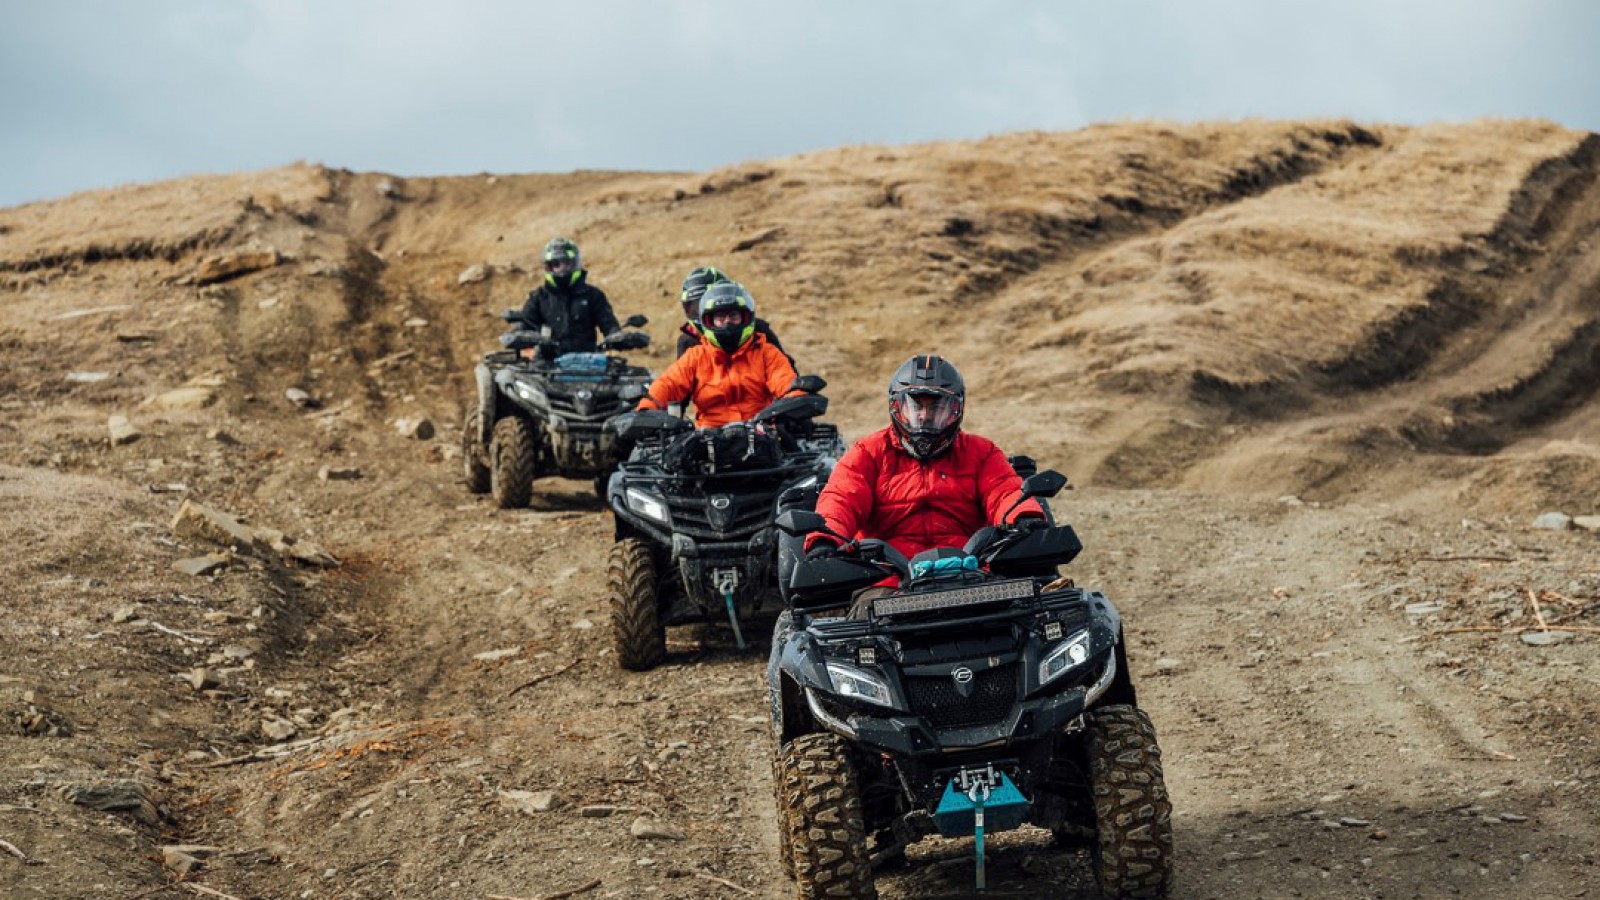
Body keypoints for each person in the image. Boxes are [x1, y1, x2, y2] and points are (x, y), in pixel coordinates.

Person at [804, 354, 1045, 566]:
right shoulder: (868, 452)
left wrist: (1023, 516)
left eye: (936, 408)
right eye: (915, 406)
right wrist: (826, 540)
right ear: (896, 407)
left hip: (972, 569)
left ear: (956, 410)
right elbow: (842, 499)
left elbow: (1004, 491)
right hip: (887, 575)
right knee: (859, 602)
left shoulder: (982, 452)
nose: (924, 416)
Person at [637, 281, 800, 428]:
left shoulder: (766, 353)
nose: (727, 322)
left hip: (760, 434)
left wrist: (798, 400)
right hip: (707, 439)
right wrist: (646, 410)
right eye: (720, 317)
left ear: (745, 317)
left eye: (733, 316)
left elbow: (786, 383)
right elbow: (669, 384)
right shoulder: (695, 357)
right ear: (708, 321)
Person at [516, 237, 622, 356]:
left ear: (575, 264)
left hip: (587, 362)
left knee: (619, 366)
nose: (562, 269)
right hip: (547, 363)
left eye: (567, 263)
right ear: (547, 267)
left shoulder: (593, 295)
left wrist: (619, 337)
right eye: (556, 264)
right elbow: (525, 328)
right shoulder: (538, 298)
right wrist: (519, 336)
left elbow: (610, 325)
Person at [676, 266, 793, 364]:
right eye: (694, 309)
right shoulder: (687, 340)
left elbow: (786, 371)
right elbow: (678, 380)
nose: (700, 312)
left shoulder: (757, 329)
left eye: (703, 304)